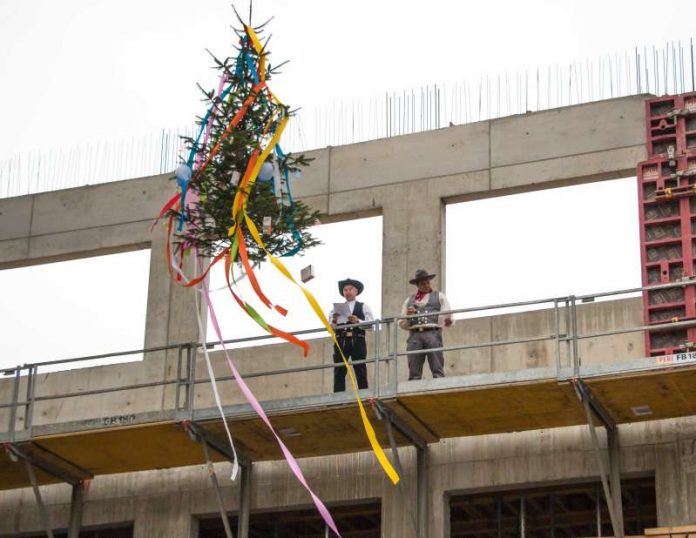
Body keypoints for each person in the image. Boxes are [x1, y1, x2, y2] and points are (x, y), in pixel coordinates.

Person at [399, 269, 454, 380]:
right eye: (423, 283)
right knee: (414, 368)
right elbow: (402, 323)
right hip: (414, 335)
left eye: (428, 282)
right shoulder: (409, 300)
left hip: (432, 334)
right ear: (417, 285)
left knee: (437, 367)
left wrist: (446, 321)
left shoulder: (439, 296)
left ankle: (439, 386)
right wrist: (409, 317)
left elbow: (447, 314)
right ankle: (414, 389)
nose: (426, 285)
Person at [328, 278, 374, 392]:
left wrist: (358, 321)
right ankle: (338, 396)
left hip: (357, 340)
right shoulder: (335, 309)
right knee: (339, 369)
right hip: (341, 340)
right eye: (345, 290)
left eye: (350, 289)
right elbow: (330, 328)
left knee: (360, 368)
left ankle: (363, 393)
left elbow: (371, 325)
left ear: (356, 291)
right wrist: (334, 320)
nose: (347, 291)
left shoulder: (364, 306)